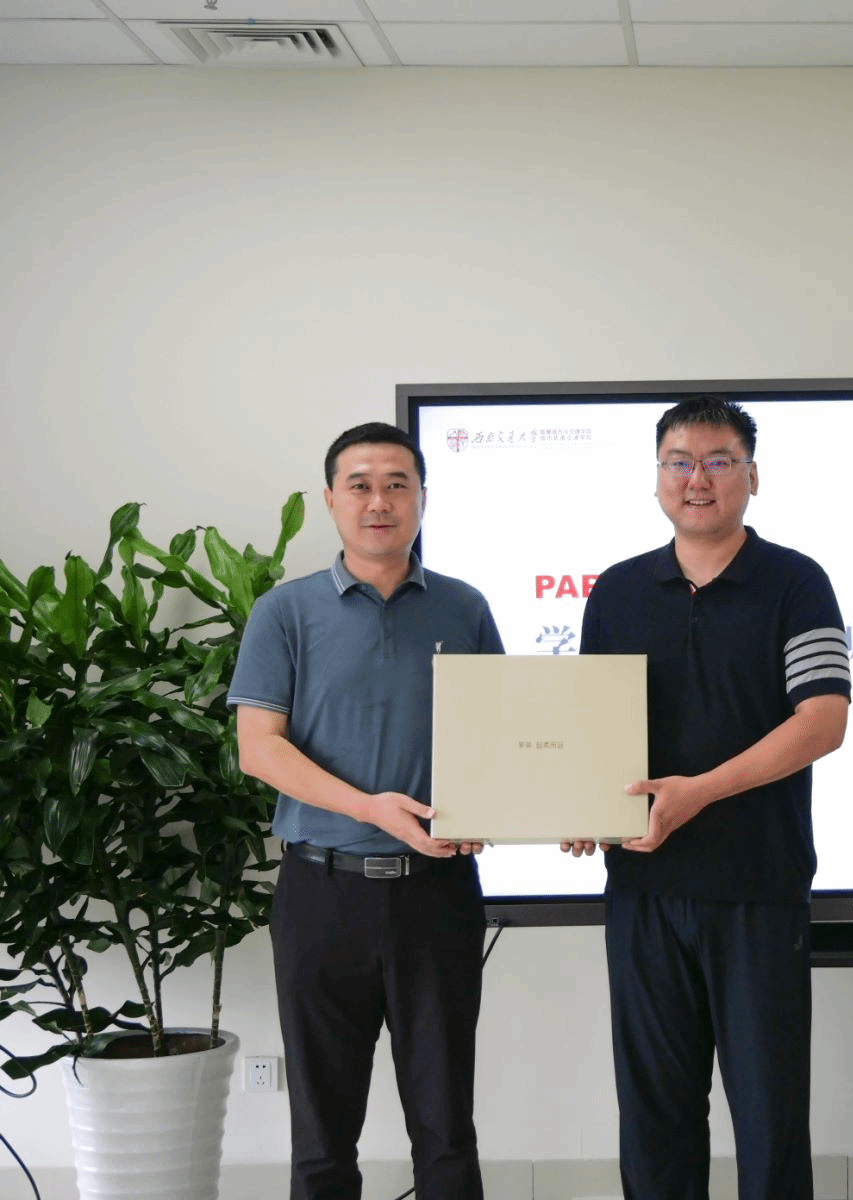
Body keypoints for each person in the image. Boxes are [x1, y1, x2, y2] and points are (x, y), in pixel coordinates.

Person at [570, 395, 851, 1200]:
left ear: (752, 476)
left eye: (719, 461)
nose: (698, 479)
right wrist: (578, 804)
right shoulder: (618, 591)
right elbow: (589, 728)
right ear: (657, 476)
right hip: (643, 888)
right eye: (680, 462)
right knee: (654, 1117)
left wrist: (700, 793)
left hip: (758, 887)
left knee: (769, 1116)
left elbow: (824, 721)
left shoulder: (797, 582)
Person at [229, 421, 503, 1200]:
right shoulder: (284, 612)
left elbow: (498, 735)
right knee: (322, 1136)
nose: (378, 501)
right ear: (331, 500)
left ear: (422, 498)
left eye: (396, 484)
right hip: (322, 894)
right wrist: (371, 808)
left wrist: (497, 805)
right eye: (360, 485)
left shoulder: (465, 608)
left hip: (437, 894)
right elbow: (259, 749)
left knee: (446, 1131)